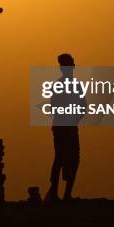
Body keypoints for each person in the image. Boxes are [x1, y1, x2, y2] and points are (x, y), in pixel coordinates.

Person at [45, 53, 84, 202]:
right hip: (62, 129)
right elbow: (55, 107)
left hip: (70, 128)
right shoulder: (59, 85)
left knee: (73, 160)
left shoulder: (75, 85)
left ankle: (66, 194)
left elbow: (83, 107)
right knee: (60, 159)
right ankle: (55, 193)